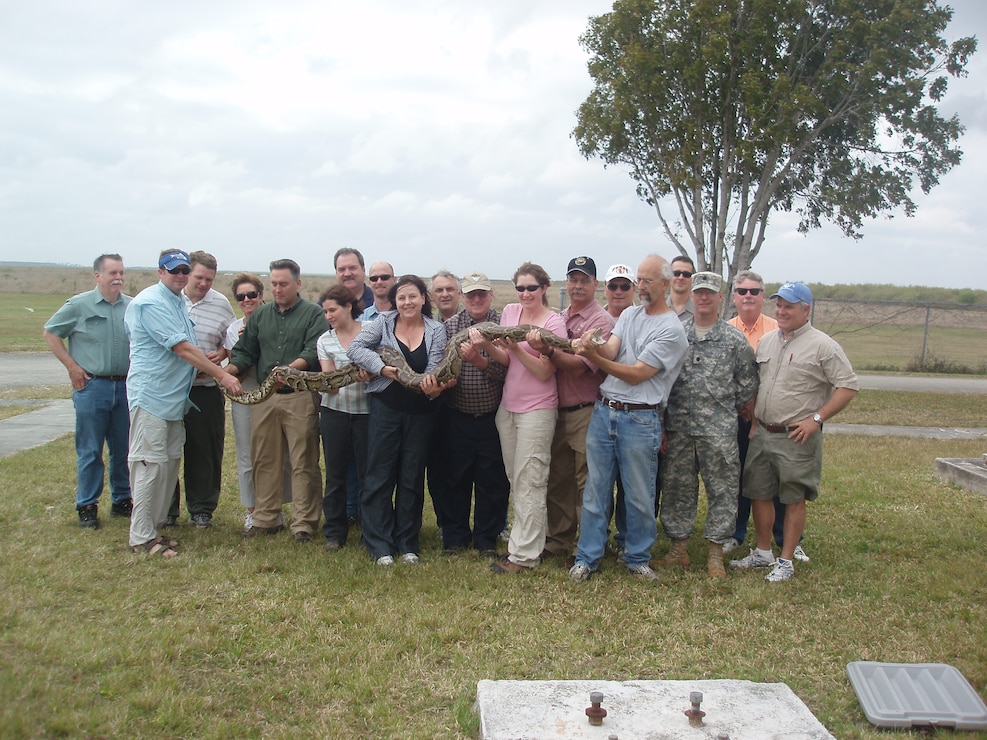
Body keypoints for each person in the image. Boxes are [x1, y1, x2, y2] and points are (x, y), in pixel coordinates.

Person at [568, 254, 688, 582]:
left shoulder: (672, 330)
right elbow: (611, 350)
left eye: (648, 280)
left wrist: (590, 354)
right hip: (605, 411)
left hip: (640, 419)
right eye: (640, 279)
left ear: (665, 285)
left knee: (638, 495)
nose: (641, 286)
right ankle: (587, 557)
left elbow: (637, 374)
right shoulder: (630, 315)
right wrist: (593, 343)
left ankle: (637, 557)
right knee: (596, 490)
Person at [731, 281, 858, 582]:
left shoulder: (823, 345)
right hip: (762, 432)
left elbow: (848, 386)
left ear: (806, 309)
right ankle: (763, 553)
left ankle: (786, 560)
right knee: (759, 493)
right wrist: (755, 423)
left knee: (792, 498)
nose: (782, 311)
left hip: (795, 436)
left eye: (789, 306)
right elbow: (759, 385)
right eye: (779, 305)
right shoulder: (769, 342)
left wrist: (817, 418)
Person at [124, 250, 242, 557]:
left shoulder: (176, 302)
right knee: (149, 465)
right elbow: (183, 348)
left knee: (167, 463)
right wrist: (222, 376)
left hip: (175, 400)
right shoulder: (150, 302)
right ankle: (141, 537)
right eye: (174, 270)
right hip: (151, 397)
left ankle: (155, 528)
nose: (181, 275)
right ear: (160, 271)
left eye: (184, 270)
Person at [347, 275, 454, 565]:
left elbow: (432, 370)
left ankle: (407, 542)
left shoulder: (436, 330)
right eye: (401, 297)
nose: (407, 302)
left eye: (413, 296)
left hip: (420, 413)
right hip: (385, 409)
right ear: (395, 301)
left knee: (411, 477)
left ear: (423, 298)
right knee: (380, 476)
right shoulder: (382, 323)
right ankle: (379, 544)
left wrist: (431, 387)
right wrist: (381, 368)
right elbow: (355, 349)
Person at [657, 272, 758, 578]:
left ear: (720, 298)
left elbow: (747, 385)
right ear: (691, 296)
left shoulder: (734, 340)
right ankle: (679, 549)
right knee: (677, 488)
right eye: (698, 292)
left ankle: (716, 553)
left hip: (718, 430)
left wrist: (721, 407)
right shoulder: (676, 334)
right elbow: (662, 380)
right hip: (679, 427)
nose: (703, 298)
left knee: (723, 489)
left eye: (709, 293)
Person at [471, 262, 565, 574]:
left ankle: (524, 557)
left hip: (537, 409)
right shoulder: (510, 313)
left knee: (531, 480)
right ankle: (523, 541)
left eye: (532, 288)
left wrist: (519, 349)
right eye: (520, 288)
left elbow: (543, 371)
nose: (525, 293)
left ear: (544, 288)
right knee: (516, 478)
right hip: (508, 408)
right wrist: (486, 345)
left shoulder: (554, 322)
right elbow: (506, 360)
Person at [227, 259, 328, 542]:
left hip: (299, 395)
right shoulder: (260, 316)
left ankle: (304, 523)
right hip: (265, 398)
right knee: (265, 459)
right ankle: (266, 518)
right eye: (273, 284)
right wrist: (228, 372)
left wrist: (287, 371)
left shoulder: (313, 314)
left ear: (298, 283)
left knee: (303, 460)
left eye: (283, 284)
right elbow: (245, 351)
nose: (278, 289)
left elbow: (312, 351)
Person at [527, 256, 614, 565]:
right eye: (573, 279)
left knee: (587, 482)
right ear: (566, 283)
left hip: (585, 410)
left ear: (595, 285)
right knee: (558, 479)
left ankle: (588, 545)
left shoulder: (600, 322)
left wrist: (549, 350)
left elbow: (579, 367)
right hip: (555, 409)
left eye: (584, 280)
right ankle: (559, 539)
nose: (578, 285)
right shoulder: (559, 317)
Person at [43, 254, 133, 529]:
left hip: (125, 386)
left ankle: (122, 499)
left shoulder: (132, 306)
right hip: (93, 386)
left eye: (120, 272)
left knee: (123, 449)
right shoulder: (79, 306)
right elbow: (51, 333)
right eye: (111, 273)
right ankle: (87, 505)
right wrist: (71, 366)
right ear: (97, 276)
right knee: (90, 449)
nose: (117, 277)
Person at [433, 272, 510, 557]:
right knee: (455, 479)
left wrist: (480, 362)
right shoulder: (449, 326)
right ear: (463, 297)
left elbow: (511, 372)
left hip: (493, 415)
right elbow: (440, 367)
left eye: (482, 294)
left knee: (493, 481)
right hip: (457, 414)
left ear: (491, 295)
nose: (476, 299)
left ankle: (486, 540)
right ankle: (455, 539)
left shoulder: (503, 324)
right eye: (471, 294)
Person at [168, 251, 235, 528]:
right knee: (167, 451)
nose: (204, 283)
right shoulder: (168, 301)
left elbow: (229, 340)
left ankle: (202, 509)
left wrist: (220, 353)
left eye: (209, 279)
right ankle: (166, 509)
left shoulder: (221, 304)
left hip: (205, 387)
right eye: (199, 277)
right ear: (186, 275)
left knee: (205, 451)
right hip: (171, 389)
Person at [223, 273, 292, 532]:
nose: (247, 299)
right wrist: (244, 341)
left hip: (276, 386)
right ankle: (253, 510)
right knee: (246, 452)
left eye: (252, 294)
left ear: (261, 295)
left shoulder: (275, 320)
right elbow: (238, 364)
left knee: (278, 451)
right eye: (241, 296)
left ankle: (276, 508)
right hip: (246, 388)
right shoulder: (233, 329)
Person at [724, 269, 781, 555]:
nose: (748, 296)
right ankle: (735, 533)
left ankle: (784, 539)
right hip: (735, 418)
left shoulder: (777, 329)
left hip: (769, 419)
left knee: (776, 480)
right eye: (742, 291)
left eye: (754, 291)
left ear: (762, 296)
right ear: (734, 297)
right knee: (737, 476)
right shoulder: (725, 330)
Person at [317, 284, 370, 552]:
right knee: (335, 475)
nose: (329, 315)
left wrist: (369, 373)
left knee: (367, 475)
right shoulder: (325, 340)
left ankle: (369, 531)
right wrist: (321, 382)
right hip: (335, 412)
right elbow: (332, 385)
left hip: (367, 414)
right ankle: (334, 533)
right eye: (325, 311)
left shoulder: (371, 333)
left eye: (333, 309)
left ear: (349, 306)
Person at [334, 247, 374, 312]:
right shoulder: (325, 305)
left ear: (363, 270)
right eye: (342, 269)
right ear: (336, 273)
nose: (347, 274)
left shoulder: (378, 301)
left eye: (352, 268)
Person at [667, 255, 696, 320]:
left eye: (686, 274)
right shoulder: (656, 310)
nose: (681, 277)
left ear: (692, 279)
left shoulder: (700, 312)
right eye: (676, 273)